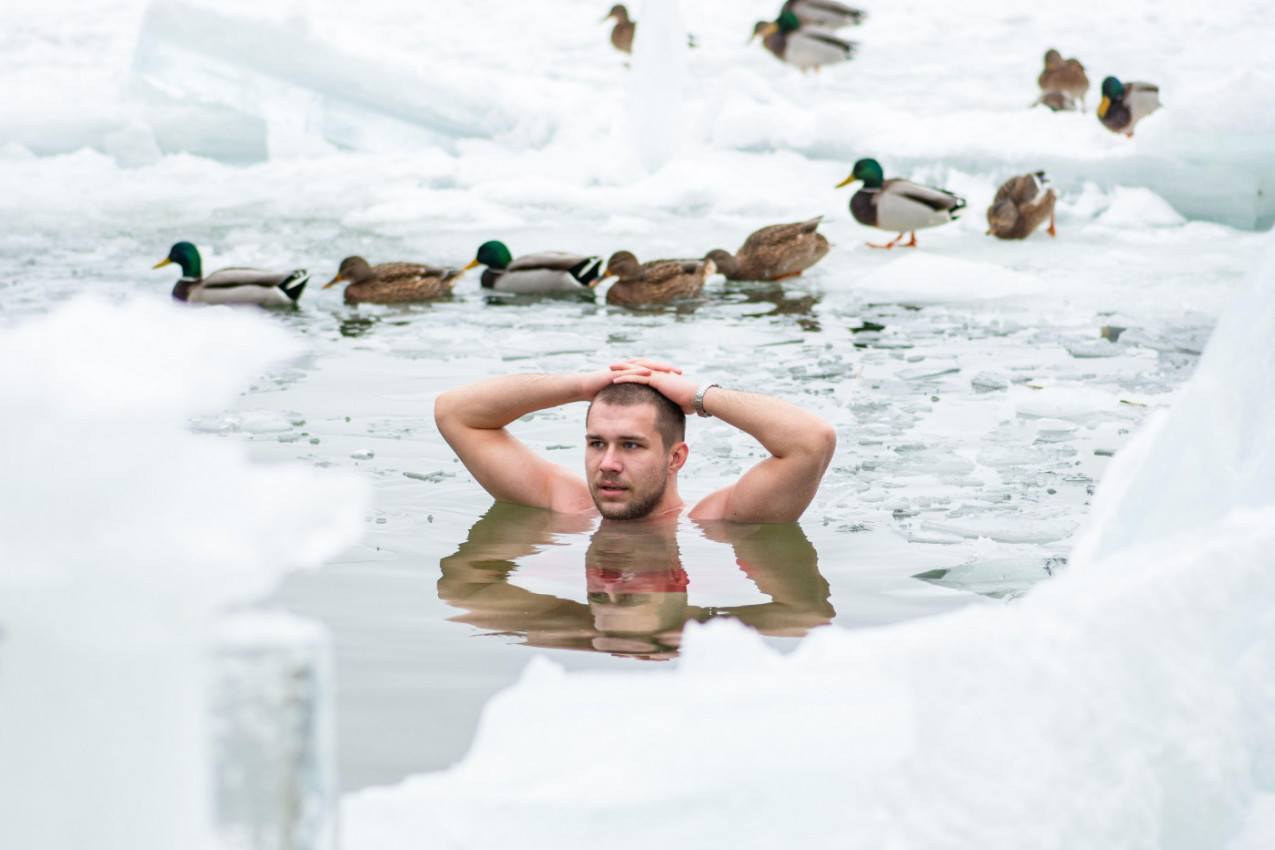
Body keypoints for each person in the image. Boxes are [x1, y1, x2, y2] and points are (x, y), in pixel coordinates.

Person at [433, 358, 836, 523]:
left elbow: (812, 440)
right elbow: (455, 412)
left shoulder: (717, 523)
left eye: (630, 445)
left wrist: (698, 397)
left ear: (675, 457)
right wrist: (579, 385)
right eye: (596, 443)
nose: (607, 463)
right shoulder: (569, 507)